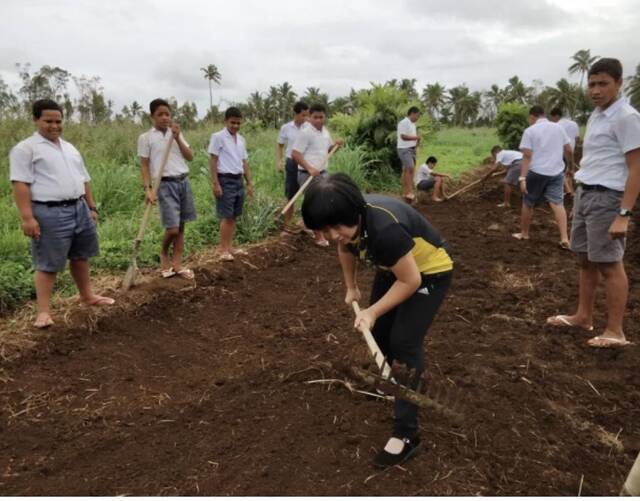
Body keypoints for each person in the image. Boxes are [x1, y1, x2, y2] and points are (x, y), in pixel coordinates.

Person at [301, 173, 453, 468]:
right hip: (392, 267)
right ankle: (385, 384)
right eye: (324, 229)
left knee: (404, 343)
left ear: (354, 213)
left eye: (336, 227)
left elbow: (411, 281)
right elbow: (345, 247)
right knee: (381, 334)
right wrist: (351, 286)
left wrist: (370, 311)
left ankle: (407, 434)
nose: (332, 234)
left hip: (429, 272)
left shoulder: (384, 230)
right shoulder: (349, 223)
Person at [546, 58, 640, 348]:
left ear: (619, 83)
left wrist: (624, 213)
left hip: (608, 196)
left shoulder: (626, 116)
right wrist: (580, 193)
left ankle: (615, 331)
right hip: (588, 193)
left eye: (603, 84)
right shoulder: (597, 115)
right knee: (585, 260)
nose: (596, 90)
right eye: (592, 84)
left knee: (610, 263)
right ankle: (582, 316)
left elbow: (636, 167)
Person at [9, 99, 114, 328]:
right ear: (36, 120)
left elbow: (84, 180)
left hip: (79, 208)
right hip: (49, 212)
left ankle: (87, 296)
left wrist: (91, 207)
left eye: (58, 121)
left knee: (80, 256)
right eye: (48, 121)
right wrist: (27, 217)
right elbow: (20, 184)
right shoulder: (26, 149)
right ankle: (43, 312)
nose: (54, 125)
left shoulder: (69, 148)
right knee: (48, 263)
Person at [138, 98, 196, 279]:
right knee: (172, 228)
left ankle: (177, 264)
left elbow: (190, 157)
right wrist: (148, 189)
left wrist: (177, 137)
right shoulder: (146, 138)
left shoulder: (176, 133)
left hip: (183, 181)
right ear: (152, 116)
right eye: (160, 114)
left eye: (167, 114)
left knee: (181, 225)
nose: (164, 118)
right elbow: (145, 165)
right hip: (164, 184)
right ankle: (164, 253)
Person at [513, 105, 574, 248]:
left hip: (536, 172)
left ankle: (524, 234)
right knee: (558, 204)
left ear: (532, 116)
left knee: (528, 202)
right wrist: (570, 167)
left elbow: (527, 155)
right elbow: (569, 150)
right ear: (544, 115)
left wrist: (522, 178)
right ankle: (565, 238)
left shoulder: (530, 131)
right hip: (556, 172)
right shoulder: (558, 128)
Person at [291, 103, 343, 247]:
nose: (319, 120)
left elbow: (329, 150)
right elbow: (295, 153)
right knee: (315, 204)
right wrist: (309, 168)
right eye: (315, 117)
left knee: (326, 202)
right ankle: (318, 236)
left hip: (323, 172)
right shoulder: (305, 132)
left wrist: (336, 146)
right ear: (310, 117)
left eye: (321, 117)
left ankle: (315, 227)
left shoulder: (325, 132)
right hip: (307, 174)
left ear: (325, 117)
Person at [208, 107, 254, 262]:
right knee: (226, 216)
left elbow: (244, 162)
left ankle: (230, 247)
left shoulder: (241, 140)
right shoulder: (218, 137)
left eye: (238, 123)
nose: (235, 126)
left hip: (238, 179)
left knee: (234, 216)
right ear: (226, 121)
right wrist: (216, 183)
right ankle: (223, 249)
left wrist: (249, 183)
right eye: (232, 122)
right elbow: (213, 160)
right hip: (224, 179)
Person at [276, 101, 309, 234]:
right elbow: (280, 144)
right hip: (291, 163)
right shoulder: (286, 128)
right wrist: (279, 160)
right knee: (291, 194)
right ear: (295, 114)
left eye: (307, 115)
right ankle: (287, 226)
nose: (305, 118)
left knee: (309, 195)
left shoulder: (309, 127)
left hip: (306, 163)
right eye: (302, 115)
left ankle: (307, 223)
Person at [550, 107, 580, 196]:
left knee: (560, 172)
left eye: (552, 118)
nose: (552, 120)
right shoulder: (574, 124)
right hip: (571, 150)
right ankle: (571, 191)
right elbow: (577, 139)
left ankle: (569, 191)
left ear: (556, 116)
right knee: (569, 170)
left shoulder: (556, 125)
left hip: (561, 151)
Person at [397, 107, 421, 203]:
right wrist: (416, 137)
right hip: (404, 149)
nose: (418, 117)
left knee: (408, 170)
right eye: (418, 115)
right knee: (409, 168)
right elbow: (403, 136)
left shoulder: (413, 124)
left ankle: (406, 192)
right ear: (412, 113)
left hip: (411, 149)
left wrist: (417, 144)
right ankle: (409, 192)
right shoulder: (404, 122)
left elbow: (413, 138)